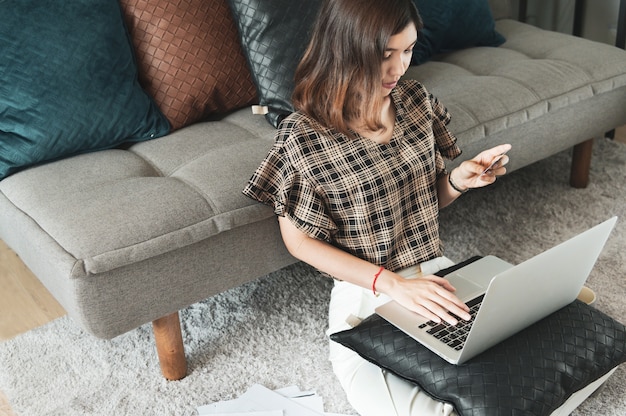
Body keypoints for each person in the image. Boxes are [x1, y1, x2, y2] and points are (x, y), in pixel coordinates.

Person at [243, 0, 511, 414]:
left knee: (543, 369)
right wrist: (393, 284)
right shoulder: (303, 136)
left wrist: (457, 181)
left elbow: (419, 203)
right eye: (386, 54)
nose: (399, 68)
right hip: (365, 300)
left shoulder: (416, 101)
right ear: (346, 48)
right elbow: (300, 244)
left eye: (408, 50)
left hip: (438, 278)